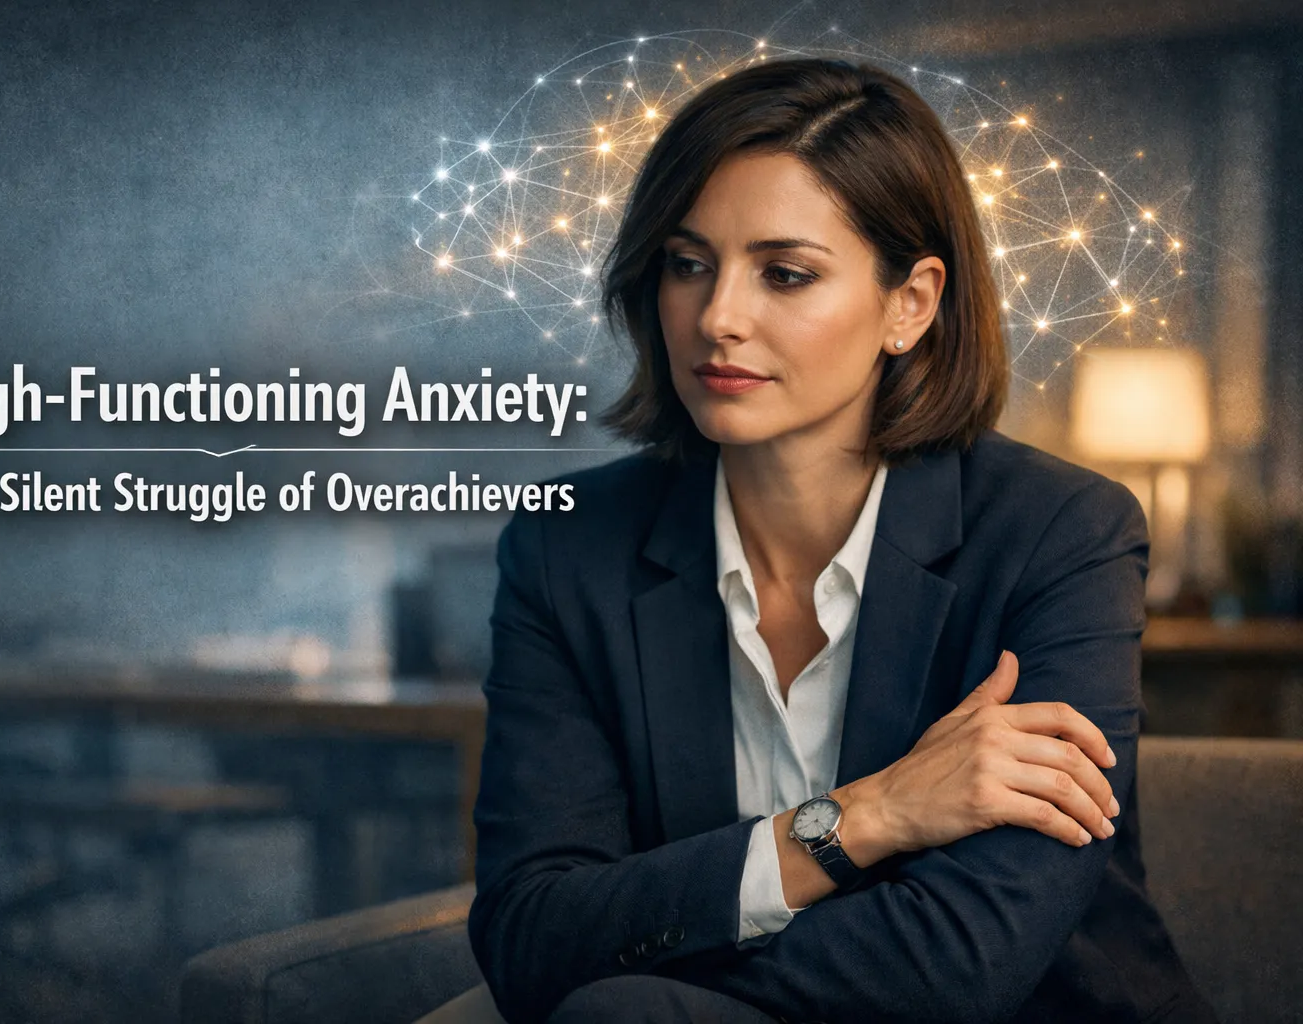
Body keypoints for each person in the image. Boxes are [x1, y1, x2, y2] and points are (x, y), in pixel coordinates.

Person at [462, 59, 1217, 1023]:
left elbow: (962, 965)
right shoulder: (570, 549)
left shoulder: (1059, 534)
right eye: (688, 264)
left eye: (785, 274)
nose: (718, 317)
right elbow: (529, 937)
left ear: (910, 304)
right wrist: (866, 817)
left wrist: (644, 955)